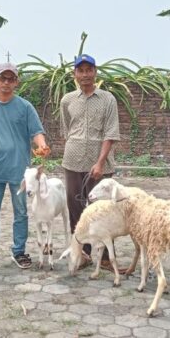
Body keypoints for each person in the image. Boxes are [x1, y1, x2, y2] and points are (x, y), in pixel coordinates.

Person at [0, 63, 49, 269]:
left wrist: (41, 145)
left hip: (20, 169)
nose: (6, 83)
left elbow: (36, 132)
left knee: (21, 212)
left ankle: (19, 251)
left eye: (10, 79)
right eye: (2, 78)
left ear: (16, 82)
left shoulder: (25, 107)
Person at [60, 54, 121, 269]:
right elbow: (67, 130)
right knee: (76, 208)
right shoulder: (67, 100)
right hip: (73, 161)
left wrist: (100, 162)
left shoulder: (108, 99)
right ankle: (82, 254)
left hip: (100, 164)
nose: (85, 74)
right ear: (75, 74)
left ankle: (105, 257)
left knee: (103, 209)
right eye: (81, 70)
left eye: (89, 70)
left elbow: (111, 133)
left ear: (95, 72)